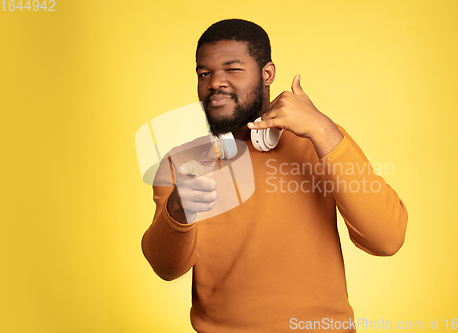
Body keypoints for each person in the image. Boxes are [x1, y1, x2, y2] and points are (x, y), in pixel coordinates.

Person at [142, 19, 408, 333]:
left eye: (233, 69)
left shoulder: (322, 142)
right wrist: (177, 210)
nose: (215, 83)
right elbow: (166, 268)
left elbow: (387, 239)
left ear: (267, 74)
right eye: (204, 73)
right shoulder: (182, 163)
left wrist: (323, 131)